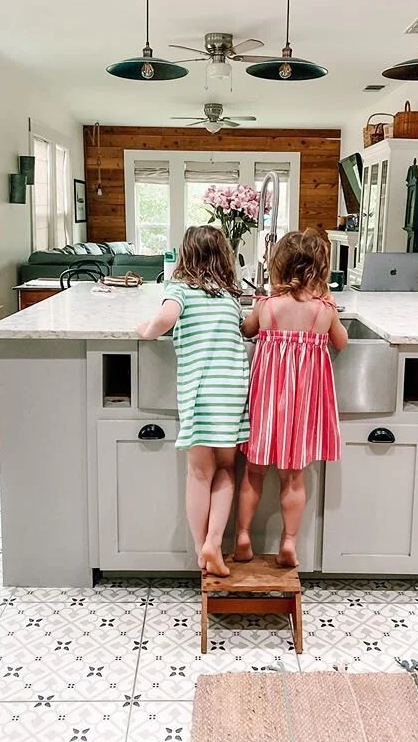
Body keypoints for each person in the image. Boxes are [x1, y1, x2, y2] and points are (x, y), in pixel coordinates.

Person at [137, 225, 249, 577]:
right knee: (227, 467)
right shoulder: (230, 297)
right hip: (232, 391)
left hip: (200, 391)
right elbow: (245, 329)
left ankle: (203, 551)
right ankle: (215, 542)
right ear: (224, 258)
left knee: (200, 471)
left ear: (185, 256)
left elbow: (164, 320)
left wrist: (145, 329)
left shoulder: (180, 289)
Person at [235, 229, 348, 568]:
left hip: (267, 405)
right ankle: (289, 543)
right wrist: (330, 307)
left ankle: (242, 535)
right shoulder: (324, 311)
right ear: (320, 269)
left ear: (278, 267)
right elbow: (341, 342)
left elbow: (247, 330)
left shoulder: (267, 306)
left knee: (253, 474)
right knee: (293, 477)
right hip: (302, 410)